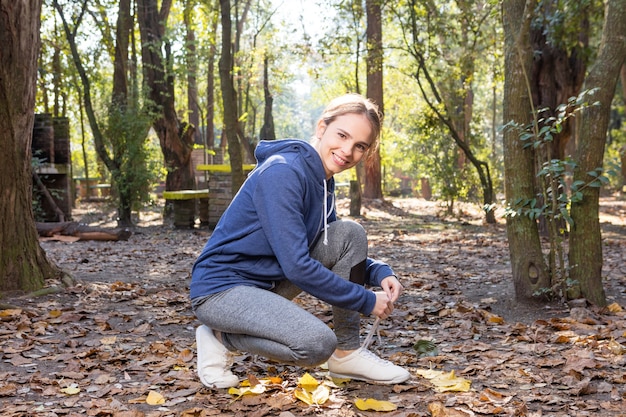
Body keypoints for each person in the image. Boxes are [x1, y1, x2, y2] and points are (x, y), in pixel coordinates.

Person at [190, 93, 410, 388]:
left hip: (266, 284)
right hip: (222, 291)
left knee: (349, 233)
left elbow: (333, 242)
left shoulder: (323, 180)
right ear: (322, 128)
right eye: (342, 135)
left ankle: (347, 353)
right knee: (316, 345)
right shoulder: (284, 172)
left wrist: (380, 272)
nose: (347, 151)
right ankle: (219, 337)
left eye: (360, 146)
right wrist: (366, 300)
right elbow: (297, 266)